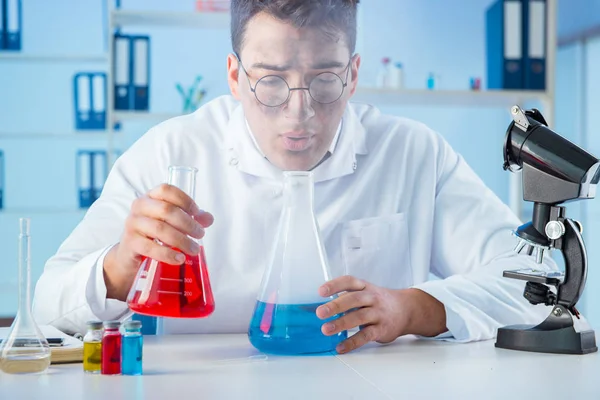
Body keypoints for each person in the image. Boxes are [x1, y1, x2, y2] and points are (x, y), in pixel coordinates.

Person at [33, 0, 555, 354]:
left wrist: (414, 307)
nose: (298, 114)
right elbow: (46, 303)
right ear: (236, 76)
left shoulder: (412, 152)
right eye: (271, 82)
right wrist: (121, 266)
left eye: (324, 80)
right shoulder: (172, 152)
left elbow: (537, 279)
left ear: (353, 74)